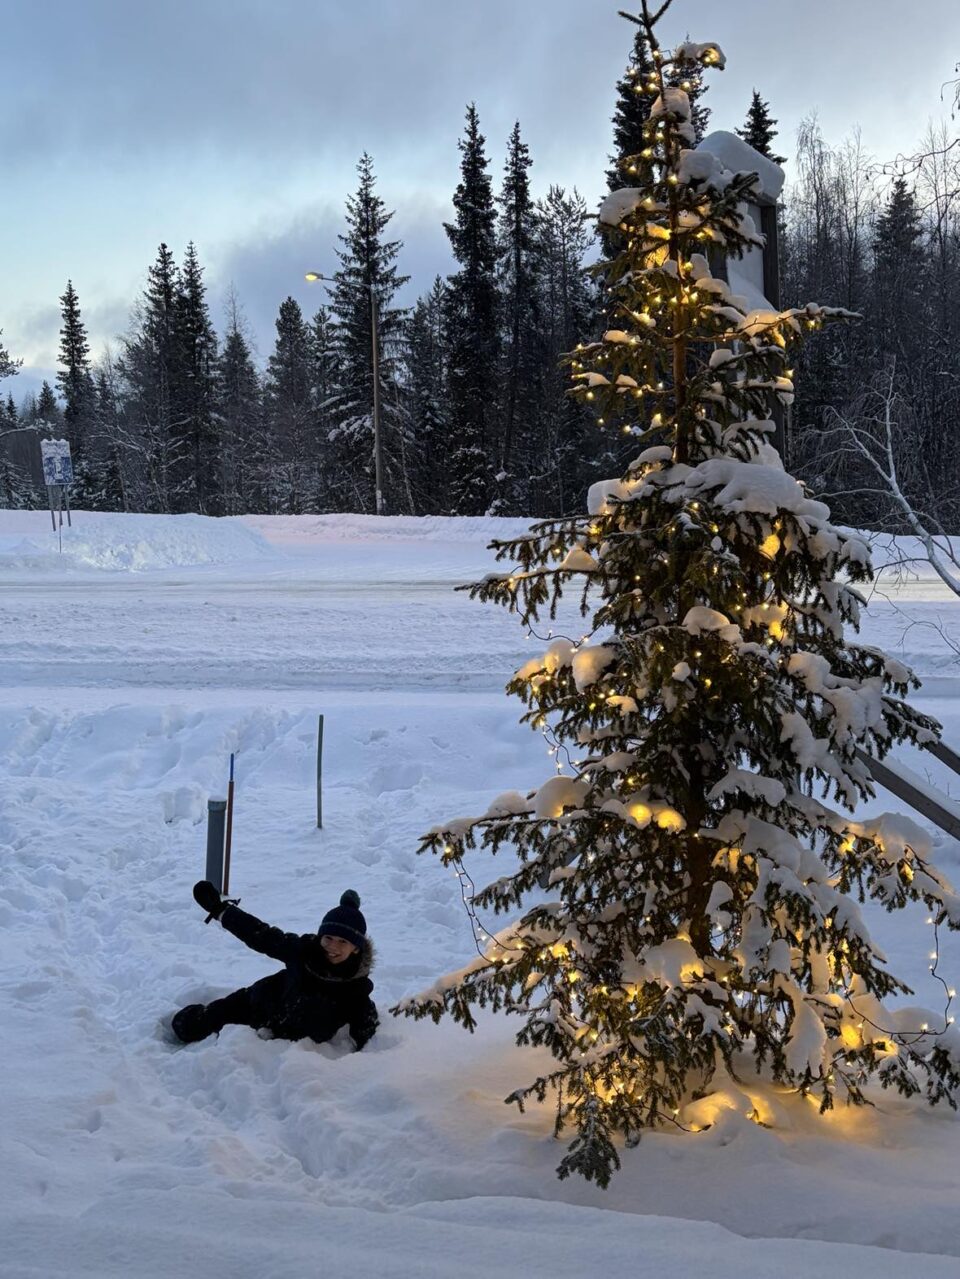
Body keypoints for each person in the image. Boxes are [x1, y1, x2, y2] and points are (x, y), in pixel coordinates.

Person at [171, 883, 378, 1050]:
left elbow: (367, 1029)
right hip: (261, 1003)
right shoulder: (303, 951)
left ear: (356, 949)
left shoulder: (354, 988)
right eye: (328, 937)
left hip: (290, 1039)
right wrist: (221, 910)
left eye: (343, 942)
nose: (332, 946)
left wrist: (367, 1042)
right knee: (189, 1026)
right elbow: (262, 935)